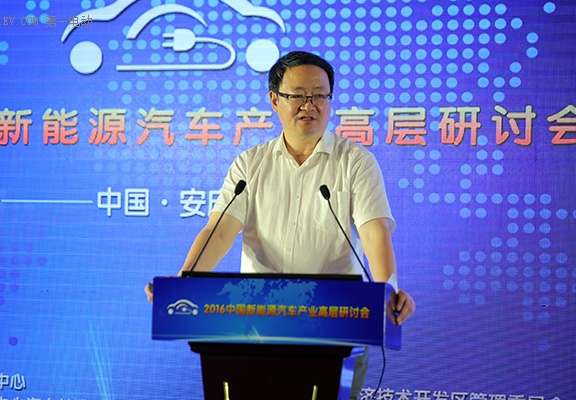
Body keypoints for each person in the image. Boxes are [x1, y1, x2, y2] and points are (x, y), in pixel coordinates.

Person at [146, 50, 415, 399]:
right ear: (275, 100)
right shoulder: (249, 164)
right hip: (255, 325)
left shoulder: (356, 162)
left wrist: (388, 291)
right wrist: (185, 282)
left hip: (335, 322)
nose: (310, 105)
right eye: (298, 95)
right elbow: (219, 230)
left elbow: (374, 232)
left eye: (320, 95)